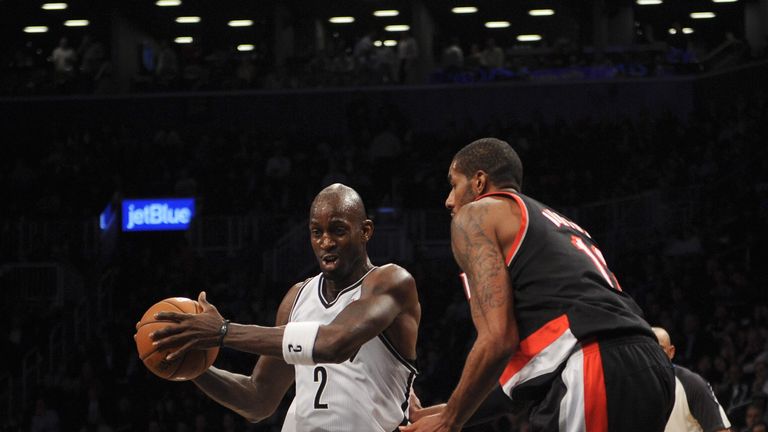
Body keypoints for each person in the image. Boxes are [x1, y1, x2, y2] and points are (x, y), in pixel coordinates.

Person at [403, 138, 675, 432]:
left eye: (454, 184)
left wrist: (450, 421)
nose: (449, 200)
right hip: (648, 366)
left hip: (593, 365)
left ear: (479, 182)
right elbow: (534, 371)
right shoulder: (560, 225)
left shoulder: (476, 215)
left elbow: (498, 339)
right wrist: (453, 409)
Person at [145, 183, 421, 431]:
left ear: (365, 231)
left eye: (338, 230)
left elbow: (333, 344)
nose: (326, 242)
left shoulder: (391, 282)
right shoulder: (297, 297)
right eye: (317, 232)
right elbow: (258, 399)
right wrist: (189, 361)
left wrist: (222, 331)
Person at [653, 327, 731, 432]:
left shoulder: (692, 383)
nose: (652, 355)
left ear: (671, 352)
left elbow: (721, 430)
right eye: (648, 349)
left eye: (659, 349)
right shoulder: (631, 385)